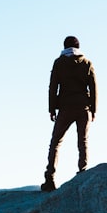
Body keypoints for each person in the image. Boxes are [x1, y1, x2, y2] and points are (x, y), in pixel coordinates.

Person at [42, 36, 97, 192]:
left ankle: (50, 179)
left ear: (64, 46)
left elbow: (53, 87)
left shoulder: (59, 63)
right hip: (83, 107)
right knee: (83, 141)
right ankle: (83, 173)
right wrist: (93, 109)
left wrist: (51, 108)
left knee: (56, 142)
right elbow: (93, 87)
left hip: (65, 107)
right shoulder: (86, 63)